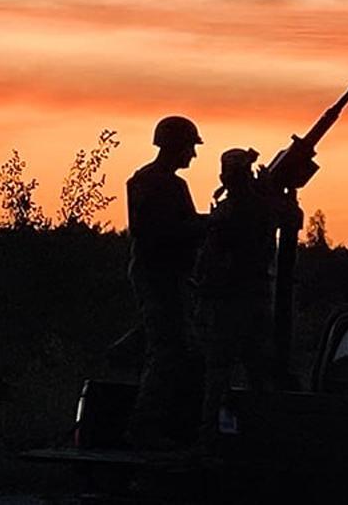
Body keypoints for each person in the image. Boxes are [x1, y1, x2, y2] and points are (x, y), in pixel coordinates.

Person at [193, 147, 302, 454]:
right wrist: (274, 190)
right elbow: (292, 219)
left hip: (228, 304)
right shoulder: (256, 208)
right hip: (247, 302)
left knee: (222, 374)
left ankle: (213, 439)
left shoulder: (227, 210)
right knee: (254, 374)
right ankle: (258, 438)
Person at [124, 115, 207, 450]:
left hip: (158, 273)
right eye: (190, 147)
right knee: (168, 351)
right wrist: (211, 223)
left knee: (172, 345)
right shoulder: (166, 185)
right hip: (161, 274)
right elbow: (164, 231)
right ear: (175, 146)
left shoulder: (145, 180)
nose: (193, 155)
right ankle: (146, 427)